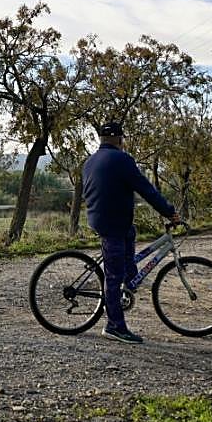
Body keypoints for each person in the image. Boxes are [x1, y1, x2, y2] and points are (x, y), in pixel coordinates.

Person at [82, 121, 180, 344]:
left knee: (130, 234)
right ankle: (114, 326)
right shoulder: (122, 159)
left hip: (103, 220)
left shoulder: (89, 161)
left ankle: (130, 279)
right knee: (113, 276)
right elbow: (146, 189)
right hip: (112, 225)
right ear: (119, 139)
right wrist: (169, 212)